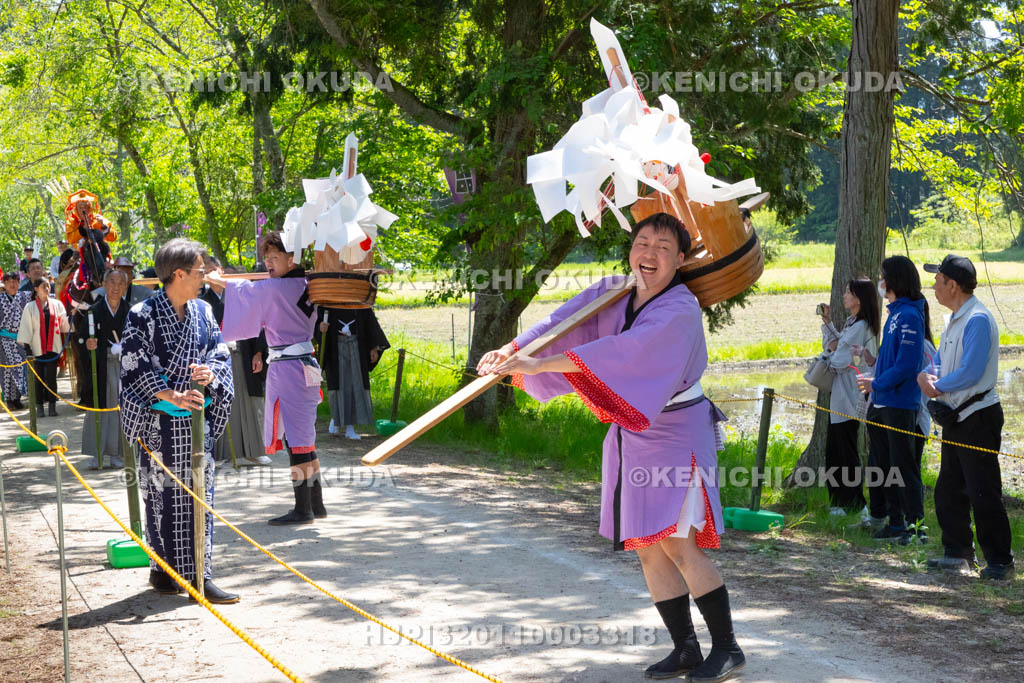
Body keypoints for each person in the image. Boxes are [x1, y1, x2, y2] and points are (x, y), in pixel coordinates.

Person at [478, 213, 744, 682]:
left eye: (663, 247)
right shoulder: (613, 290)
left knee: (679, 544)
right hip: (632, 433)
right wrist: (512, 348)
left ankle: (727, 648)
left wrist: (539, 365)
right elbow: (560, 322)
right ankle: (685, 648)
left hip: (677, 432)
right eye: (642, 242)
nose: (649, 254)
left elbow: (623, 353)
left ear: (680, 260)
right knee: (649, 547)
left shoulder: (679, 309)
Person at [119, 238, 237, 603]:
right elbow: (133, 366)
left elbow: (220, 355)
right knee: (161, 497)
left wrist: (209, 374)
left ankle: (199, 574)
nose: (205, 277)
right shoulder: (142, 313)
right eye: (200, 271)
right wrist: (170, 395)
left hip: (196, 422)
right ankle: (163, 569)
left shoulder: (203, 310)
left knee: (199, 495)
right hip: (158, 423)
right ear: (179, 273)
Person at [208, 231, 326, 526]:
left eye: (275, 257)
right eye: (267, 257)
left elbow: (246, 291)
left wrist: (216, 278)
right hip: (305, 362)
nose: (269, 262)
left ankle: (304, 509)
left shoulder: (275, 289)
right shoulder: (307, 284)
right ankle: (316, 503)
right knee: (304, 436)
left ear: (291, 258)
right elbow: (250, 290)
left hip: (290, 367)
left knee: (298, 439)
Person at [919, 255, 1015, 580]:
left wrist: (936, 386)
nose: (933, 284)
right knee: (949, 488)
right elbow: (945, 365)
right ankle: (958, 554)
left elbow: (971, 372)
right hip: (958, 416)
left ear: (953, 285)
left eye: (938, 279)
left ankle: (1001, 562)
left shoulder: (977, 320)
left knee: (983, 491)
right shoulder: (954, 319)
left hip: (978, 416)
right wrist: (929, 375)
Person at [856, 255, 928, 545]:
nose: (879, 281)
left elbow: (907, 366)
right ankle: (896, 522)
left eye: (882, 275)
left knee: (904, 466)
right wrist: (875, 383)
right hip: (882, 402)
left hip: (899, 404)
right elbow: (889, 361)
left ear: (895, 279)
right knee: (884, 465)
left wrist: (878, 382)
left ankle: (916, 528)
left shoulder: (910, 315)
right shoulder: (895, 313)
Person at [200, 258, 271, 466]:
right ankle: (221, 453)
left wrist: (259, 352)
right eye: (207, 271)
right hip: (219, 359)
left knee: (250, 401)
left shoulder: (240, 295)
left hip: (245, 354)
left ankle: (254, 450)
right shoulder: (202, 301)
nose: (212, 275)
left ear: (222, 272)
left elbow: (260, 322)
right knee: (222, 402)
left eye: (215, 270)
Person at [818, 279, 879, 515]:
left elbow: (840, 358)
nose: (844, 295)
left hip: (850, 396)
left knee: (845, 450)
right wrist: (827, 323)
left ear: (858, 299)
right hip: (841, 396)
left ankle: (854, 503)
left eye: (848, 292)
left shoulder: (861, 326)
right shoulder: (853, 323)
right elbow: (838, 345)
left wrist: (824, 361)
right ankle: (839, 502)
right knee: (836, 448)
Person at [73, 269, 129, 469]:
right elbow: (80, 338)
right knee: (99, 408)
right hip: (100, 366)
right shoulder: (94, 311)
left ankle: (117, 453)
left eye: (120, 283)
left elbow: (139, 340)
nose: (115, 287)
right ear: (104, 285)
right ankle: (96, 453)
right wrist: (87, 344)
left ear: (125, 287)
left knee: (120, 410)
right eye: (112, 282)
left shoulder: (130, 311)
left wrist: (126, 347)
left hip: (123, 366)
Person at [321, 308, 390, 440]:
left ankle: (350, 427)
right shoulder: (329, 302)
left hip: (356, 346)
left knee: (354, 385)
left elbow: (370, 325)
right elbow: (316, 321)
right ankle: (336, 419)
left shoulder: (359, 303)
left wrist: (374, 347)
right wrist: (320, 328)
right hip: (335, 348)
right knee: (338, 386)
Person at [16, 279, 70, 417]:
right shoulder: (30, 307)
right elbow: (26, 328)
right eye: (43, 286)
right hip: (36, 348)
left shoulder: (57, 305)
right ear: (36, 289)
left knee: (51, 378)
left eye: (48, 286)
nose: (47, 288)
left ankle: (52, 406)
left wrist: (72, 317)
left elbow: (64, 324)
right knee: (38, 379)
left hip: (53, 347)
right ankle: (39, 407)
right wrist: (28, 349)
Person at [0, 272, 31, 409]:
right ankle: (10, 400)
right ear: (4, 284)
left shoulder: (26, 296)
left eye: (15, 281)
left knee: (21, 367)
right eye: (9, 282)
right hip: (4, 340)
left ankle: (17, 398)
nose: (12, 284)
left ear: (19, 283)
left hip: (22, 339)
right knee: (7, 371)